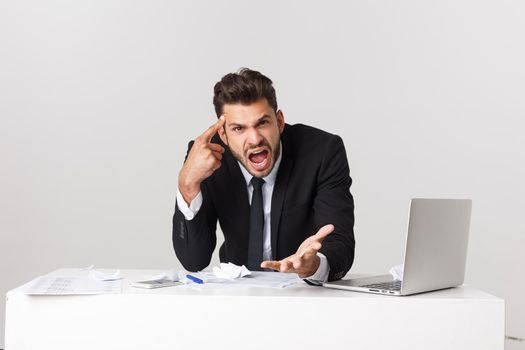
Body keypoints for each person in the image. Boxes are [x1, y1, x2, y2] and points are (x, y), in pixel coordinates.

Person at [172, 68, 354, 282]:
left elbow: (340, 245)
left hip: (302, 294)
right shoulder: (207, 158)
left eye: (262, 123)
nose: (255, 139)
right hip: (236, 296)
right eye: (239, 129)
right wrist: (187, 184)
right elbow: (194, 261)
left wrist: (312, 266)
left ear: (279, 121)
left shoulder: (322, 152)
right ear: (224, 135)